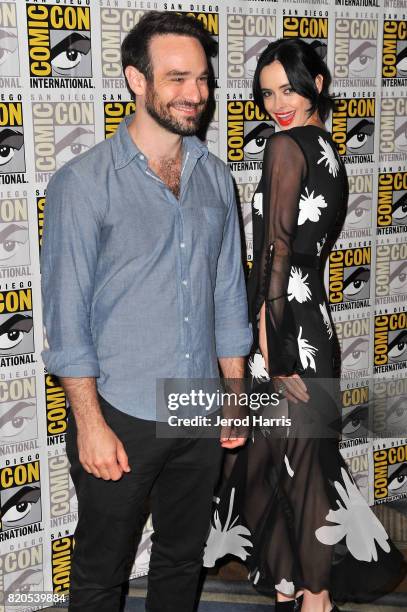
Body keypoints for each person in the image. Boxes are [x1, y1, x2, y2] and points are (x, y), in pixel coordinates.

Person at [41, 11, 252, 612]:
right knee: (101, 573)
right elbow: (68, 317)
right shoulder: (83, 184)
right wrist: (89, 423)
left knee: (183, 559)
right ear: (137, 80)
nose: (196, 95)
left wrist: (233, 391)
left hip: (198, 404)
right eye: (178, 78)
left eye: (204, 80)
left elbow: (229, 298)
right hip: (121, 409)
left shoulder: (216, 180)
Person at [204, 38, 406, 612]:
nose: (277, 103)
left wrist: (272, 350)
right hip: (311, 322)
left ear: (316, 84)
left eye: (288, 88)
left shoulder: (286, 146)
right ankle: (289, 586)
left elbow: (275, 254)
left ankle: (315, 598)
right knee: (276, 463)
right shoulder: (330, 152)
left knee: (302, 471)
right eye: (267, 93)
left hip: (286, 334)